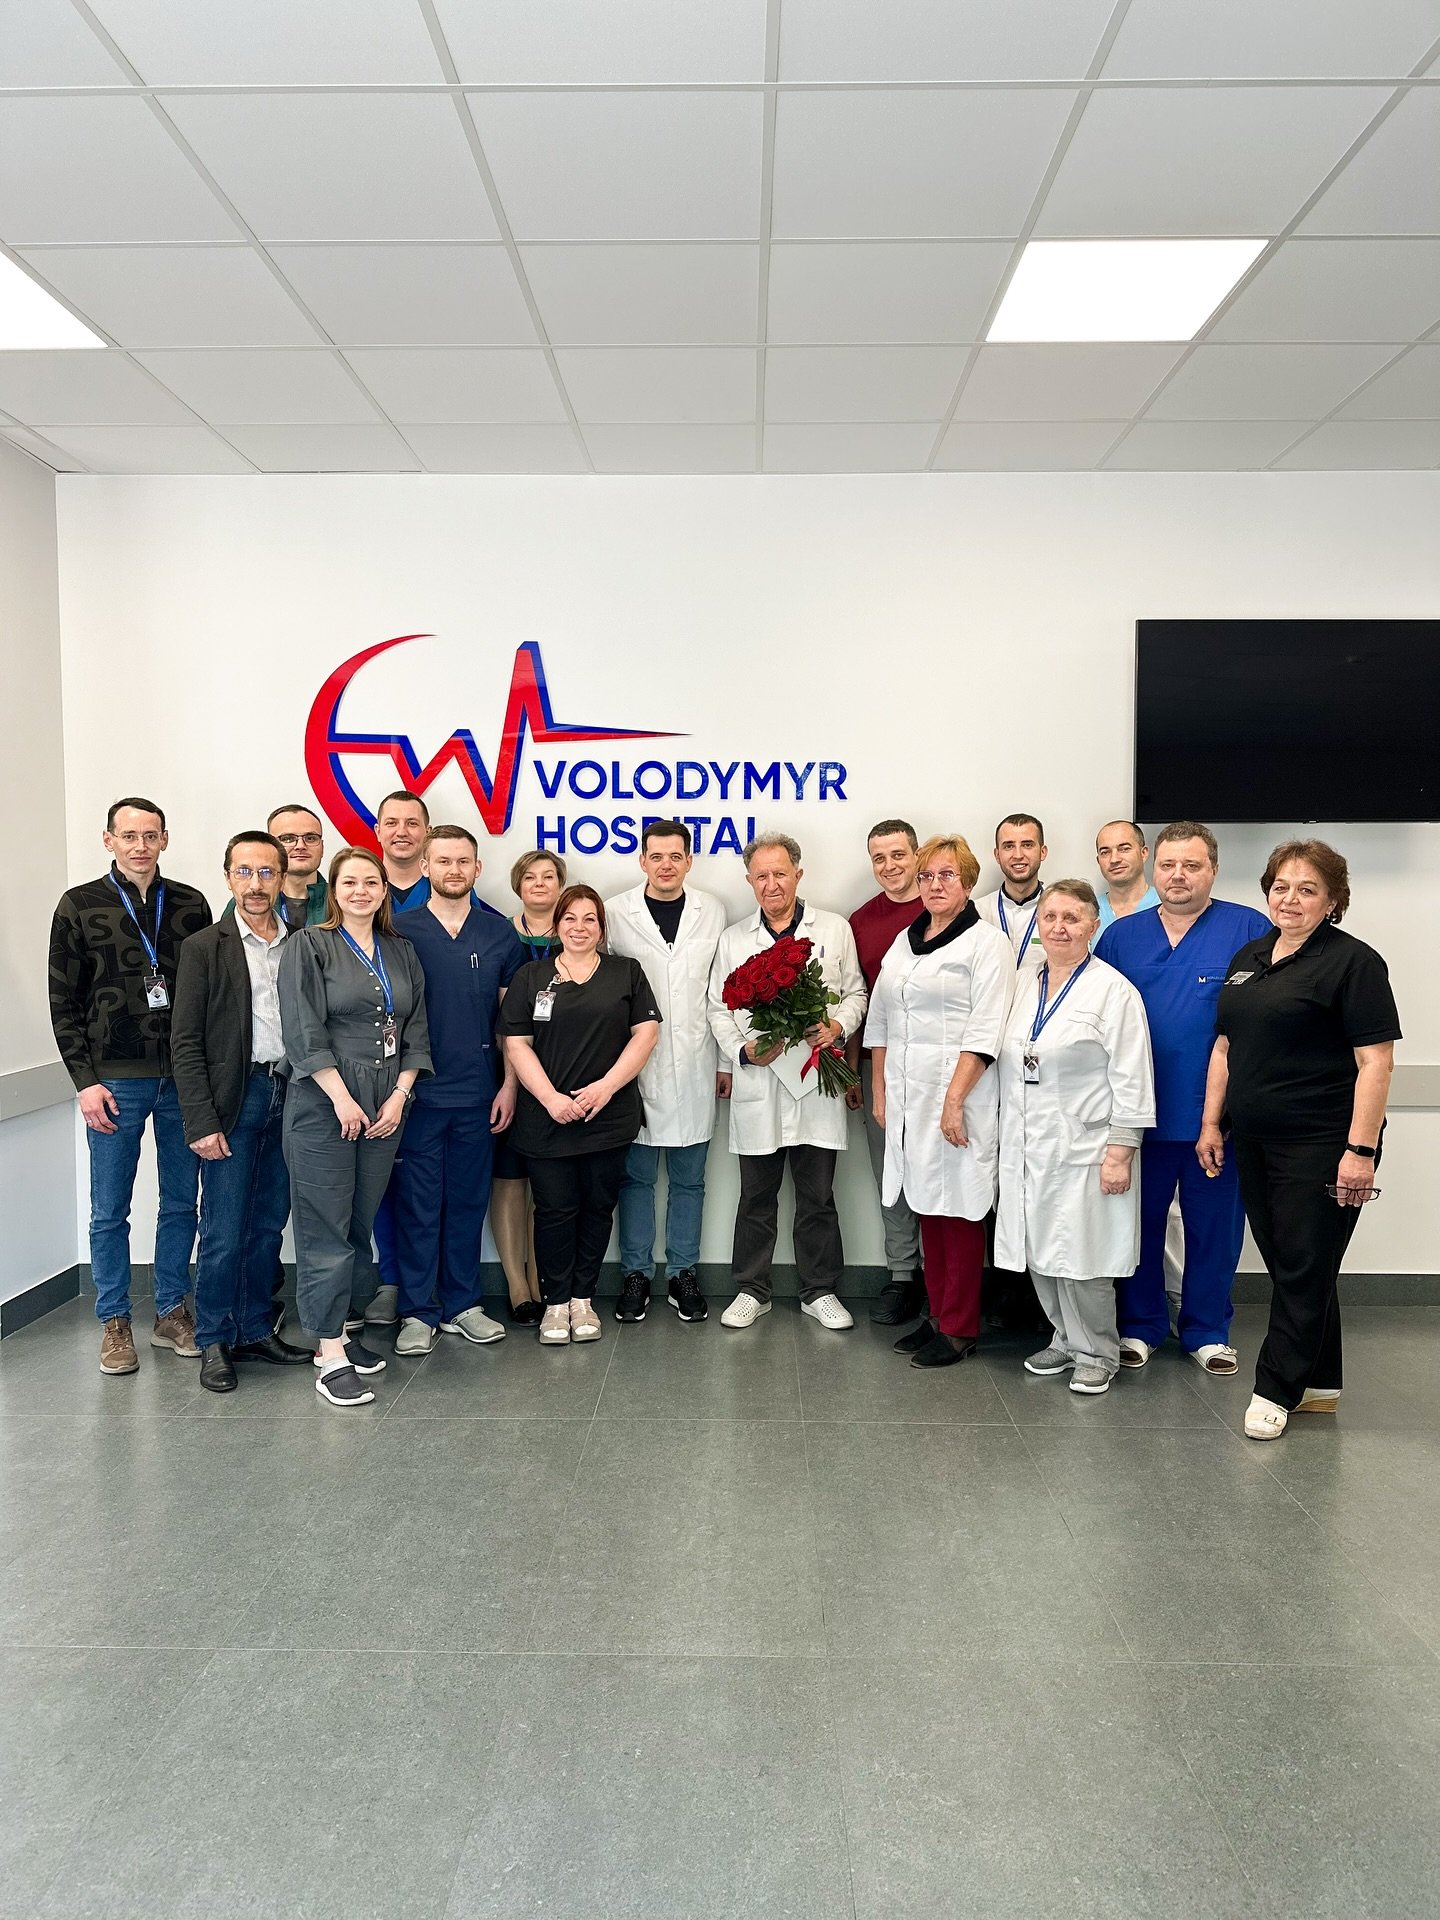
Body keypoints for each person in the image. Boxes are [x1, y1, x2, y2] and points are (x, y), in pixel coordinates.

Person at [1199, 840, 1400, 1441]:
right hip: (1255, 1137)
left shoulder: (1354, 963)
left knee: (1304, 1263)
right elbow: (1225, 1046)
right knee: (1296, 1263)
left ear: (1333, 900)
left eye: (1307, 889)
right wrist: (1212, 1123)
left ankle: (1275, 1388)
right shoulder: (1252, 955)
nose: (1290, 899)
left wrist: (1360, 1152)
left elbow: (1376, 1062)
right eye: (1281, 887)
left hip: (1323, 1144)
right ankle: (1319, 1382)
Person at [1095, 821, 1270, 1374]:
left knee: (1214, 1230)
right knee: (1138, 1226)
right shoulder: (1121, 937)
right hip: (1139, 1114)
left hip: (1215, 1118)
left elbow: (1266, 1021)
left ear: (1213, 870)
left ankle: (1207, 1330)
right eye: (1168, 865)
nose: (1178, 875)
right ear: (1153, 868)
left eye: (1191, 865)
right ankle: (1140, 1326)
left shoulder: (1249, 930)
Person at [49, 797, 212, 1376]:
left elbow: (209, 994)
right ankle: (114, 1320)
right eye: (129, 835)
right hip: (114, 1080)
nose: (140, 845)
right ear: (108, 840)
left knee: (181, 1202)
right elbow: (63, 1001)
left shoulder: (191, 904)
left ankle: (171, 1311)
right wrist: (84, 1081)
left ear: (165, 839)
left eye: (150, 835)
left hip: (184, 1077)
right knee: (110, 1208)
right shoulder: (79, 905)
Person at [278, 847, 432, 1407]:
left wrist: (399, 1097)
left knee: (357, 1224)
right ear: (334, 890)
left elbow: (416, 1028)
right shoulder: (309, 945)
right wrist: (342, 1099)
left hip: (387, 1103)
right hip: (325, 1102)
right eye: (350, 882)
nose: (361, 891)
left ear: (385, 890)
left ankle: (339, 1333)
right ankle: (329, 1353)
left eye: (371, 882)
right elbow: (303, 1029)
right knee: (323, 1227)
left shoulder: (401, 950)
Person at [996, 881, 1155, 1395]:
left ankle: (1098, 1352)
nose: (1059, 928)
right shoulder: (1023, 980)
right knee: (1040, 1248)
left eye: (1072, 918)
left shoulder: (1114, 992)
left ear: (1093, 926)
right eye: (1051, 917)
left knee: (1086, 1257)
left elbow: (1132, 1076)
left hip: (1088, 1147)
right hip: (1029, 1143)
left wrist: (1120, 1152)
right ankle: (1064, 1338)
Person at [170, 831, 314, 1391]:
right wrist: (201, 1121)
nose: (256, 884)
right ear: (228, 876)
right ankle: (213, 1338)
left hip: (292, 1093)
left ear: (282, 878)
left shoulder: (302, 943)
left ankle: (254, 1327)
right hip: (236, 1098)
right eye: (245, 872)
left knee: (268, 1224)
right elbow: (185, 1041)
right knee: (224, 1229)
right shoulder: (204, 947)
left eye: (267, 872)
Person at [708, 833, 867, 1334]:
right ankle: (751, 1290)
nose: (771, 884)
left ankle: (819, 1290)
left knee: (818, 1196)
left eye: (780, 873)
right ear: (749, 881)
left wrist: (838, 1024)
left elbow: (857, 993)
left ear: (798, 874)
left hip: (816, 1082)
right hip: (760, 1083)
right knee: (756, 1197)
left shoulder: (834, 929)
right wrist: (743, 1051)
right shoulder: (734, 939)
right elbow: (717, 1008)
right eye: (761, 876)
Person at [863, 835, 1012, 1368]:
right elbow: (880, 1019)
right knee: (927, 1203)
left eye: (946, 875)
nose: (934, 884)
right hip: (909, 1098)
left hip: (961, 1097)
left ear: (968, 882)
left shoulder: (987, 944)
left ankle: (959, 1327)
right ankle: (937, 1315)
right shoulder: (905, 942)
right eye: (926, 876)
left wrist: (954, 1100)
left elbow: (986, 1028)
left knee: (960, 1210)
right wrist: (881, 1091)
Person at [497, 885, 660, 1345]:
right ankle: (555, 1303)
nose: (580, 927)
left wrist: (606, 1088)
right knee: (554, 1210)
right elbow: (516, 1044)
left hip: (607, 1116)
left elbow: (646, 1034)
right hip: (547, 1117)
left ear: (601, 928)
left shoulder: (625, 972)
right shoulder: (532, 977)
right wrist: (551, 1099)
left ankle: (583, 1300)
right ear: (557, 926)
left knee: (597, 1207)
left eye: (590, 919)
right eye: (570, 918)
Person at [389, 827, 526, 1355]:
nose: (453, 869)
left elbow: (510, 1023)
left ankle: (463, 1304)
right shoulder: (399, 930)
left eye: (463, 861)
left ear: (477, 869)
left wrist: (508, 1085)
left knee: (468, 1202)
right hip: (418, 1094)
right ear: (425, 867)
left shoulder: (498, 934)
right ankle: (417, 1311)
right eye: (443, 861)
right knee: (419, 1204)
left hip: (478, 1093)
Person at [606, 820, 727, 1325]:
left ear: (689, 861)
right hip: (634, 1065)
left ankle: (682, 1275)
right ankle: (636, 1274)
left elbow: (721, 993)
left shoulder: (712, 910)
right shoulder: (615, 912)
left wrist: (725, 1062)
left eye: (676, 856)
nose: (666, 865)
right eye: (656, 856)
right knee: (634, 1180)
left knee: (690, 1181)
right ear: (642, 860)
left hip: (697, 1063)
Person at [847, 819, 926, 1326]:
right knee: (889, 1172)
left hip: (941, 1068)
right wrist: (852, 1070)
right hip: (879, 1065)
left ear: (917, 855)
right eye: (880, 857)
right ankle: (903, 1275)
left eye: (899, 854)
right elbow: (858, 999)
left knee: (941, 1170)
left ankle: (947, 1276)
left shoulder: (948, 907)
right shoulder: (861, 921)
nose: (890, 866)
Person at [488, 848, 568, 1324]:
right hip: (506, 1076)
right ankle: (518, 1288)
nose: (540, 883)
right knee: (510, 1179)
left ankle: (544, 1281)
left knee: (550, 1186)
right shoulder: (499, 935)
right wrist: (511, 1081)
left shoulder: (578, 932)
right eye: (530, 876)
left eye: (549, 876)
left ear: (561, 885)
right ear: (518, 885)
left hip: (562, 1076)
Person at [975, 813, 1048, 972]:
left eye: (1027, 845)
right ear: (997, 855)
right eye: (1008, 846)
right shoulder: (976, 912)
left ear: (1043, 852)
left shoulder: (1061, 912)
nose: (1018, 855)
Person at [1094, 819, 1160, 930]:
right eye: (1105, 852)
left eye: (1124, 849)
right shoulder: (1089, 913)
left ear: (1143, 853)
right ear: (1098, 860)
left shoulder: (1166, 905)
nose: (1114, 859)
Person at [375, 789, 431, 912]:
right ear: (378, 832)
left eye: (412, 823)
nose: (401, 832)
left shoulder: (448, 887)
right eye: (391, 823)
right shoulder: (359, 890)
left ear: (428, 833)